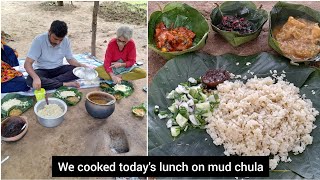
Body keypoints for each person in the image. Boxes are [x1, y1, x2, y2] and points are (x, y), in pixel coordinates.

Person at [25, 20, 86, 90]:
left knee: (78, 71)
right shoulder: (39, 40)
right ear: (49, 32)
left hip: (58, 69)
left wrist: (81, 66)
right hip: (42, 70)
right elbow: (27, 63)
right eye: (55, 39)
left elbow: (70, 59)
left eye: (61, 40)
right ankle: (64, 84)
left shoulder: (66, 40)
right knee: (30, 80)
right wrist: (36, 78)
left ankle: (49, 82)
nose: (58, 42)